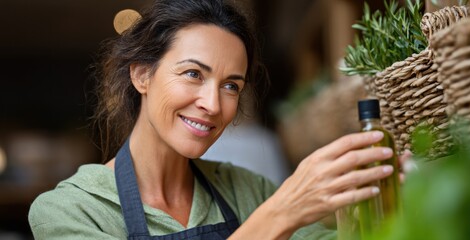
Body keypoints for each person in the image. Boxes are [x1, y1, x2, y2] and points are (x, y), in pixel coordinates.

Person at [28, 0, 409, 239]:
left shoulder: (249, 190)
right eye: (193, 73)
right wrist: (280, 215)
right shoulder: (70, 212)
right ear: (142, 75)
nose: (213, 104)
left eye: (230, 85)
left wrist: (377, 207)